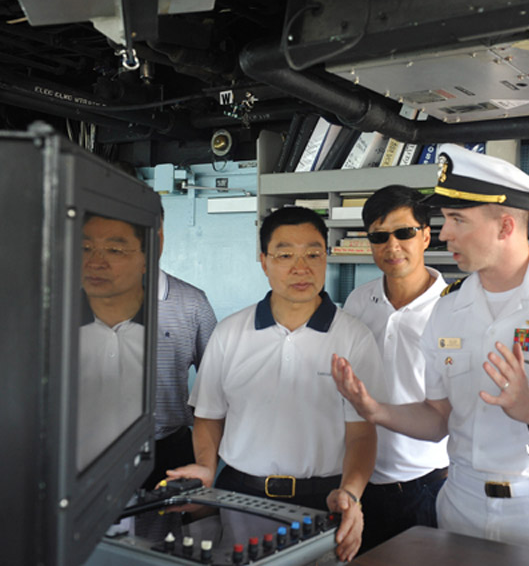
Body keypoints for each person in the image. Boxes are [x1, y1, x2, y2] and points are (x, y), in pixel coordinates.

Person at [332, 144, 529, 553]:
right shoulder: (449, 307)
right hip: (459, 506)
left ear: (505, 226)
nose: (445, 232)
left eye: (457, 220)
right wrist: (374, 410)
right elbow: (438, 419)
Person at [167, 206, 386, 563]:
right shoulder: (230, 333)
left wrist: (351, 493)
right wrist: (206, 467)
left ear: (326, 258)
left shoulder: (353, 337)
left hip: (323, 500)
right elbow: (209, 416)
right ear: (264, 261)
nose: (301, 267)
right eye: (285, 255)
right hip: (240, 495)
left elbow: (362, 434)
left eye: (313, 254)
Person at [342, 185, 449, 552]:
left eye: (404, 233)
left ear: (425, 236)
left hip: (425, 482)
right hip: (359, 479)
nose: (393, 246)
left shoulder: (453, 309)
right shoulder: (359, 300)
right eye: (379, 236)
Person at [141, 207, 218, 490]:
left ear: (162, 235)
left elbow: (218, 386)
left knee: (175, 532)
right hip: (93, 451)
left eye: (153, 230)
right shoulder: (77, 298)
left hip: (170, 449)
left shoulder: (193, 302)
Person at [78, 213, 148, 472]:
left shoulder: (172, 315)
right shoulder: (47, 324)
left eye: (114, 250)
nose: (95, 263)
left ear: (145, 259)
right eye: (85, 248)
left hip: (157, 459)